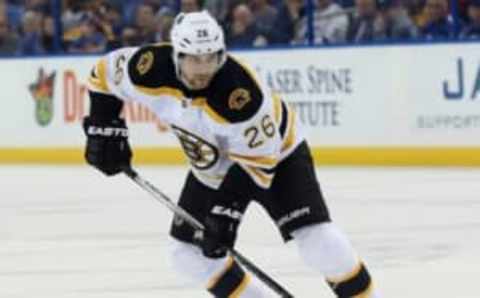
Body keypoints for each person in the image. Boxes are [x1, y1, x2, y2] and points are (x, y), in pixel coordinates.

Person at [83, 11, 381, 298]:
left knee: (318, 241)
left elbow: (260, 162)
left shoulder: (240, 95)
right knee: (186, 255)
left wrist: (226, 215)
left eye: (210, 59)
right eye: (194, 60)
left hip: (278, 156)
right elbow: (103, 74)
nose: (202, 70)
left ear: (221, 54)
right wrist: (104, 127)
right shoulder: (148, 68)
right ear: (177, 55)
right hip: (212, 168)